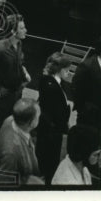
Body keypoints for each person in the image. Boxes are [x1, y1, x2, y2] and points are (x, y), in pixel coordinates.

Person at [0, 15, 31, 153]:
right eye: (22, 28)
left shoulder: (19, 44)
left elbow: (19, 63)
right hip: (3, 97)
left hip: (16, 93)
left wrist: (24, 78)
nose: (25, 30)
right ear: (13, 31)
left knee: (9, 124)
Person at [35, 52, 74, 185]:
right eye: (67, 70)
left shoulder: (55, 82)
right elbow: (55, 111)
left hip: (52, 128)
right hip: (50, 130)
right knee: (48, 161)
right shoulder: (50, 85)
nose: (69, 73)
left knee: (49, 159)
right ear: (59, 69)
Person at [0, 99, 43, 185]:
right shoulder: (10, 154)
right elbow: (4, 183)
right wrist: (27, 181)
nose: (40, 117)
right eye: (38, 116)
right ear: (31, 123)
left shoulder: (10, 120)